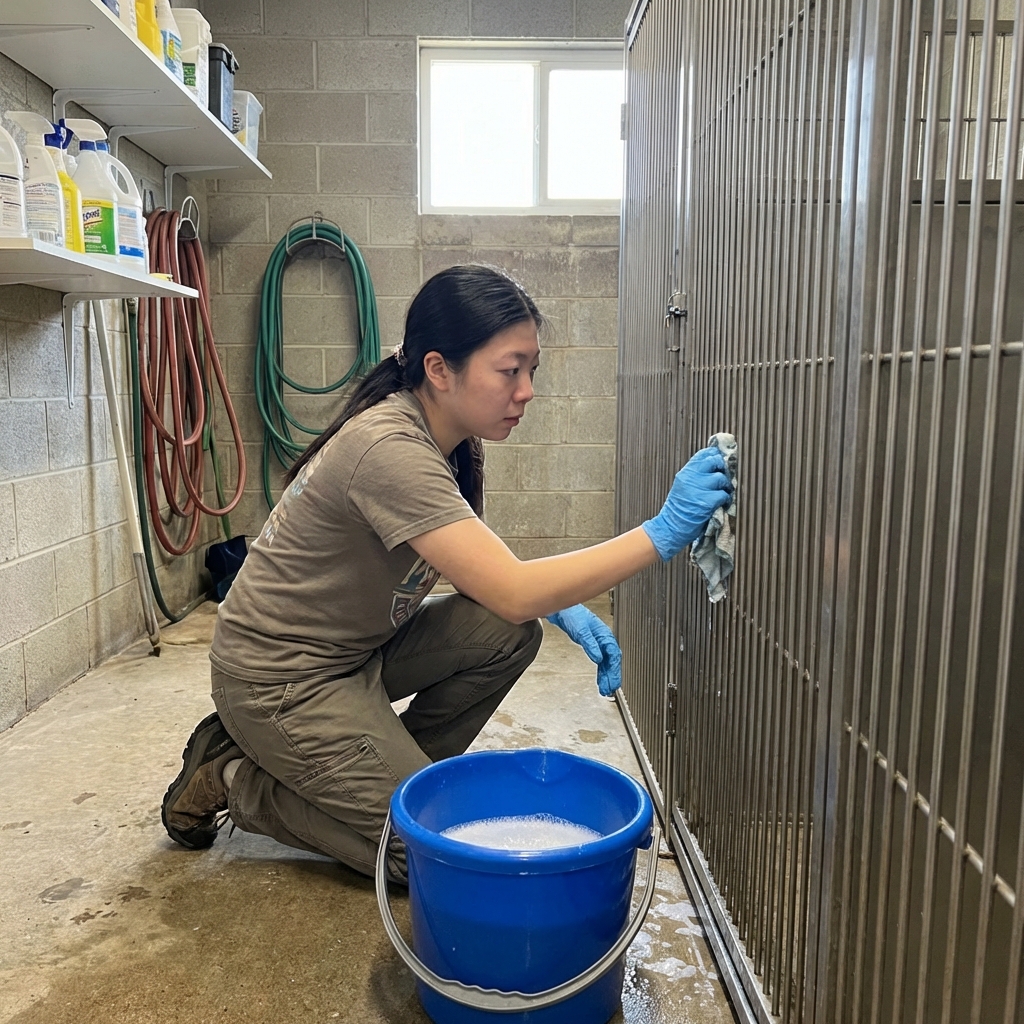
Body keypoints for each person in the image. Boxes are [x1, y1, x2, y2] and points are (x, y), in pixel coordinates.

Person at [161, 264, 732, 881]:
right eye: (509, 370)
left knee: (507, 634)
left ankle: (392, 789)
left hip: (355, 652)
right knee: (428, 860)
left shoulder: (451, 438)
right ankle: (235, 777)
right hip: (281, 680)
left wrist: (553, 602)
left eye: (531, 370)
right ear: (439, 369)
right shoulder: (390, 450)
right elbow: (512, 590)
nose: (527, 391)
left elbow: (484, 577)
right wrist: (661, 532)